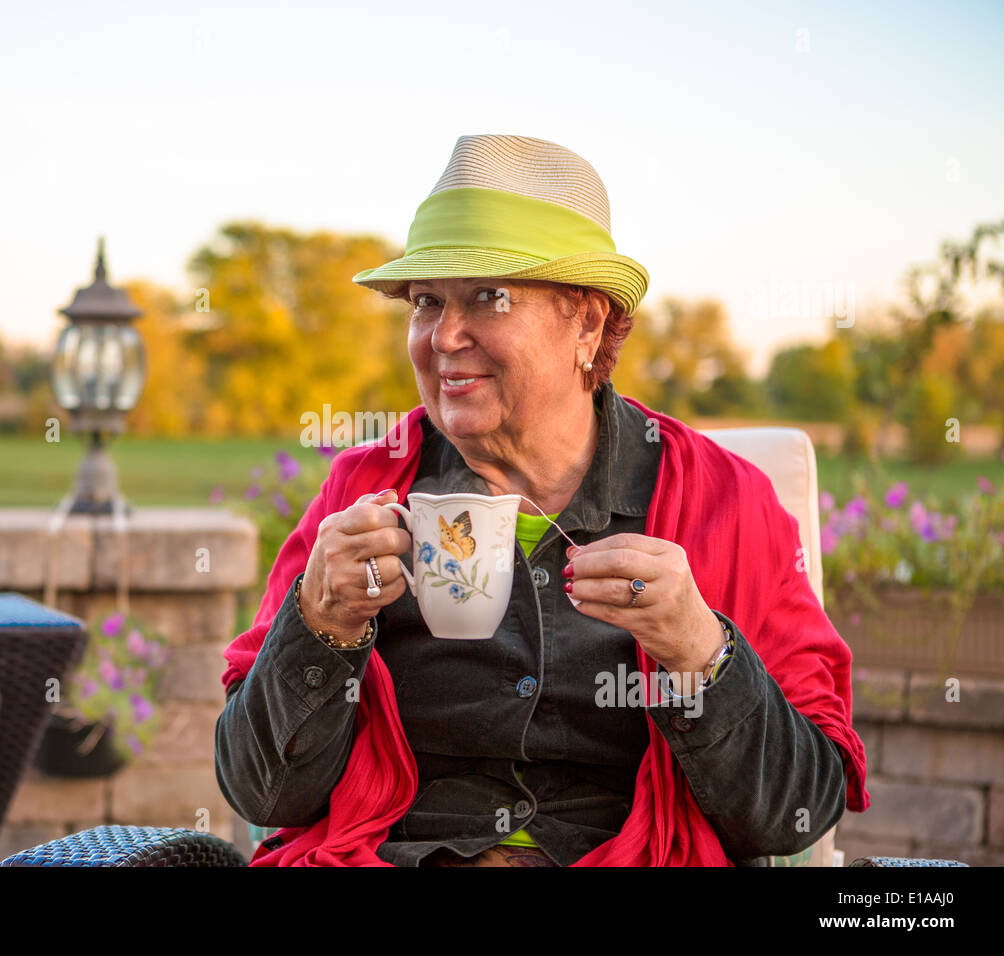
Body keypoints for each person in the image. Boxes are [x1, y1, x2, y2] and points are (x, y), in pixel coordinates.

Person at [215, 134, 869, 866]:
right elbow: (261, 797)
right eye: (426, 303)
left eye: (487, 299)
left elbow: (796, 814)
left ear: (587, 324)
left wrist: (699, 652)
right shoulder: (363, 494)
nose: (444, 337)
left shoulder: (725, 502)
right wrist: (321, 626)